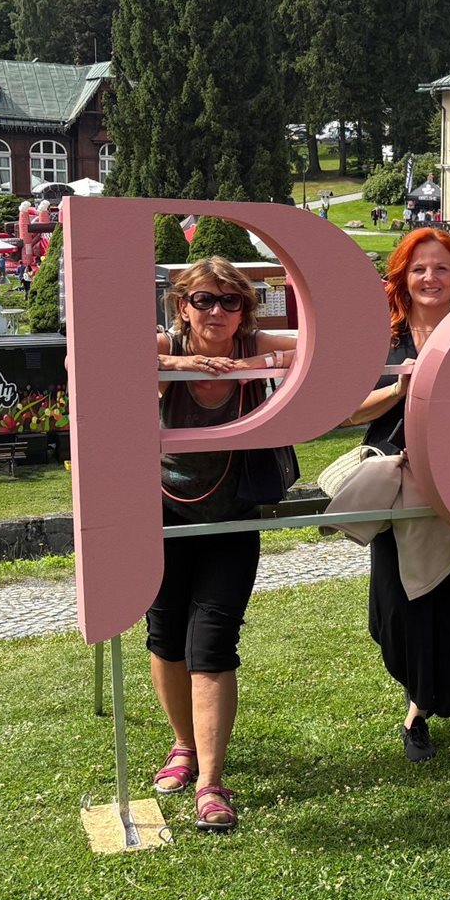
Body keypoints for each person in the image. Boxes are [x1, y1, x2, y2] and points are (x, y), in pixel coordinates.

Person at [342, 228, 450, 763]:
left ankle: (419, 710)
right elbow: (351, 411)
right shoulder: (382, 338)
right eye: (419, 269)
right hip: (394, 489)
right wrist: (400, 388)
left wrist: (447, 447)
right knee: (397, 604)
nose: (430, 278)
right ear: (403, 278)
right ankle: (414, 684)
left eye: (441, 268)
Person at [151, 256, 299, 832]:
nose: (217, 311)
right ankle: (182, 746)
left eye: (230, 301)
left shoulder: (253, 343)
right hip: (162, 511)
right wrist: (181, 361)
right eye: (204, 300)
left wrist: (272, 356)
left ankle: (211, 783)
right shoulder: (164, 343)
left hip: (233, 515)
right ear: (182, 306)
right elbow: (93, 355)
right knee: (165, 636)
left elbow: (327, 340)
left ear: (246, 310)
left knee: (212, 641)